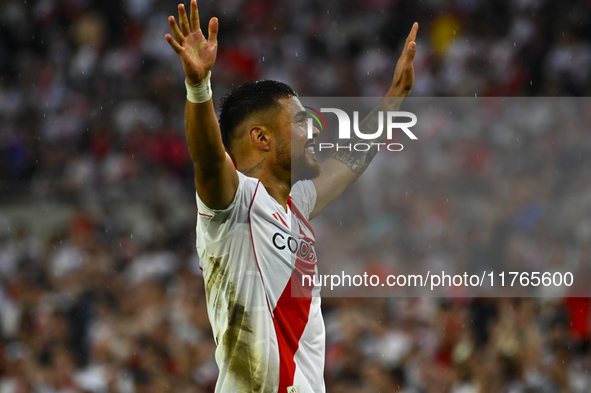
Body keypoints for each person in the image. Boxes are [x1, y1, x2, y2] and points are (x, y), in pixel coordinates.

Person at [165, 1, 417, 391]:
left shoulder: (297, 204)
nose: (314, 131)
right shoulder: (235, 203)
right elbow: (210, 160)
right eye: (301, 122)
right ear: (261, 138)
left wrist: (395, 97)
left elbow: (351, 162)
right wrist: (198, 87)